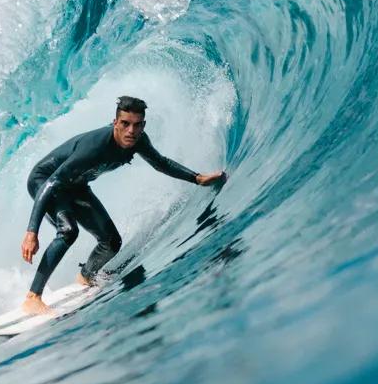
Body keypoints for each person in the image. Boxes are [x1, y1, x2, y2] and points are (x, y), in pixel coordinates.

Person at [19, 95, 225, 314]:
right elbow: (51, 182)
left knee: (111, 242)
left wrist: (197, 178)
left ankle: (85, 277)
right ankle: (33, 297)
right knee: (69, 231)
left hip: (76, 186)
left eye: (137, 125)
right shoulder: (94, 146)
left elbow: (160, 163)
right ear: (115, 122)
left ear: (143, 125)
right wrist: (32, 232)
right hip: (45, 181)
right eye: (125, 124)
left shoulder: (138, 141)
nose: (131, 131)